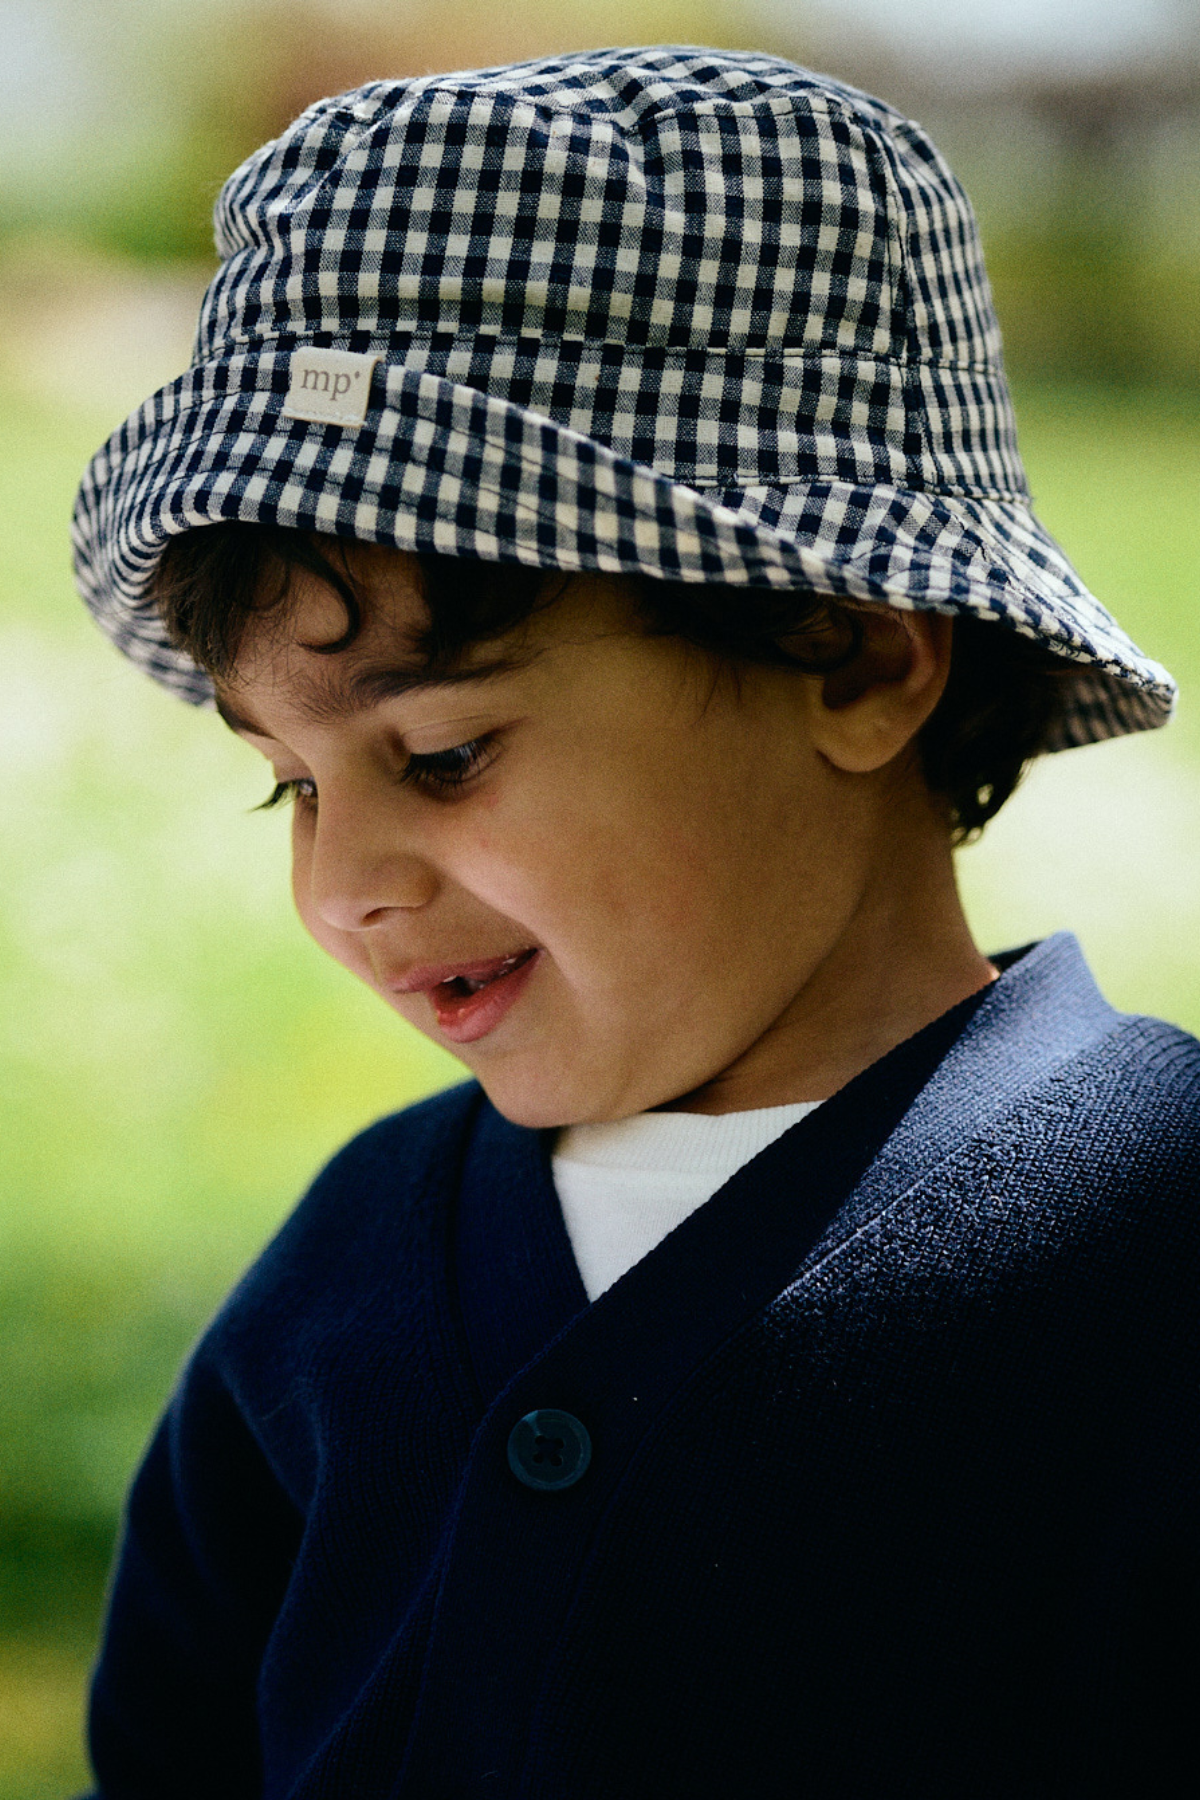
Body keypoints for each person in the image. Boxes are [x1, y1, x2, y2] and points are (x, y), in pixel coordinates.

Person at [71, 47, 1198, 1799]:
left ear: (860, 656)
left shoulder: (1153, 1263)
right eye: (287, 781)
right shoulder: (347, 1285)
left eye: (441, 754)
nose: (339, 884)